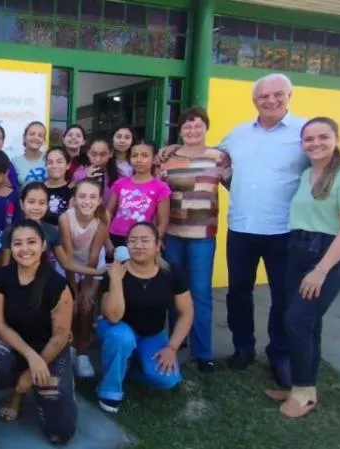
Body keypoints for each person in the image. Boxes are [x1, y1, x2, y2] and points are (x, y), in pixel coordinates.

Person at [161, 73, 340, 388]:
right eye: (263, 96)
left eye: (277, 95)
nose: (270, 100)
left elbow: (328, 157)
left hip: (283, 230)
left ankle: (280, 354)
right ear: (255, 100)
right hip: (242, 227)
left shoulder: (304, 132)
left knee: (282, 296)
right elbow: (205, 152)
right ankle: (243, 348)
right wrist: (175, 145)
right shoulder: (239, 134)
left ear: (289, 95)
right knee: (239, 292)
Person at [264, 117, 340, 418]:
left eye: (323, 137)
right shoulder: (307, 173)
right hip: (297, 250)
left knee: (297, 320)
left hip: (327, 255)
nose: (315, 143)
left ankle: (304, 391)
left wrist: (321, 270)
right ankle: (303, 385)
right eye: (309, 139)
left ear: (336, 139)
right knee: (308, 323)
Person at [0, 218, 77, 445]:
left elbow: (61, 336)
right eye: (17, 243)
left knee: (60, 433)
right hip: (16, 344)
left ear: (43, 245)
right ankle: (17, 394)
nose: (24, 249)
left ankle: (60, 381)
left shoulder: (57, 285)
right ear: (10, 248)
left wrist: (33, 369)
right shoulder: (1, 278)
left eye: (31, 242)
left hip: (51, 348)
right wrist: (31, 359)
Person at [159, 107, 232, 373]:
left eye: (197, 125)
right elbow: (158, 194)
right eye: (187, 126)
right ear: (180, 130)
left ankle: (203, 353)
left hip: (203, 237)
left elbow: (238, 186)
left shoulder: (219, 158)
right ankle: (176, 342)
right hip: (173, 235)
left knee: (200, 293)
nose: (192, 130)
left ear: (206, 127)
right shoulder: (166, 158)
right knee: (173, 292)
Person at [96, 222, 193, 414]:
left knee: (167, 380)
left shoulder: (171, 272)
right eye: (132, 241)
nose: (138, 245)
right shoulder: (116, 272)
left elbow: (186, 312)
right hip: (117, 329)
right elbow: (114, 317)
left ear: (157, 245)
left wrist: (171, 347)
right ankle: (109, 390)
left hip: (152, 334)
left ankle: (128, 368)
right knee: (122, 337)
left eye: (145, 240)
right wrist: (116, 280)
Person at [58, 179, 110, 378]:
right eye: (82, 196)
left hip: (92, 263)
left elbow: (94, 253)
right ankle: (67, 348)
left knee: (87, 307)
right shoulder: (65, 218)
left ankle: (82, 352)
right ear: (74, 199)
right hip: (69, 264)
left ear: (99, 201)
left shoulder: (103, 216)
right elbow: (69, 258)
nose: (86, 201)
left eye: (92, 197)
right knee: (71, 306)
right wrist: (75, 290)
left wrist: (86, 289)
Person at [106, 140, 171, 248]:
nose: (139, 160)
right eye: (134, 156)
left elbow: (163, 222)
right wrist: (106, 240)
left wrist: (155, 242)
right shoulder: (120, 183)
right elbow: (108, 213)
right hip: (116, 236)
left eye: (145, 156)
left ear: (154, 159)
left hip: (143, 241)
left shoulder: (161, 187)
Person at [11, 122, 48, 187]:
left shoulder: (49, 158)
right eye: (32, 134)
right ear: (24, 137)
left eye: (40, 135)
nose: (36, 137)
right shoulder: (15, 162)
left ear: (43, 140)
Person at [43, 147, 72, 226]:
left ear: (68, 165)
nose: (54, 166)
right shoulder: (37, 189)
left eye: (59, 162)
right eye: (50, 162)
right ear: (45, 165)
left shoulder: (73, 191)